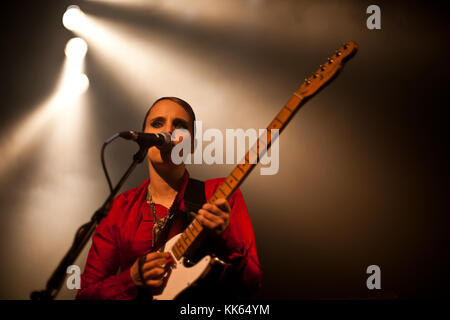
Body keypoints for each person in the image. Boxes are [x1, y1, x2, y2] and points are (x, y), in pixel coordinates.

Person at [76, 97, 262, 300]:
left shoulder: (220, 195)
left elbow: (252, 285)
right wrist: (131, 279)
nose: (168, 131)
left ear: (193, 145)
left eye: (180, 126)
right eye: (157, 124)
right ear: (144, 140)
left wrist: (226, 239)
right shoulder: (120, 208)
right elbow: (85, 295)